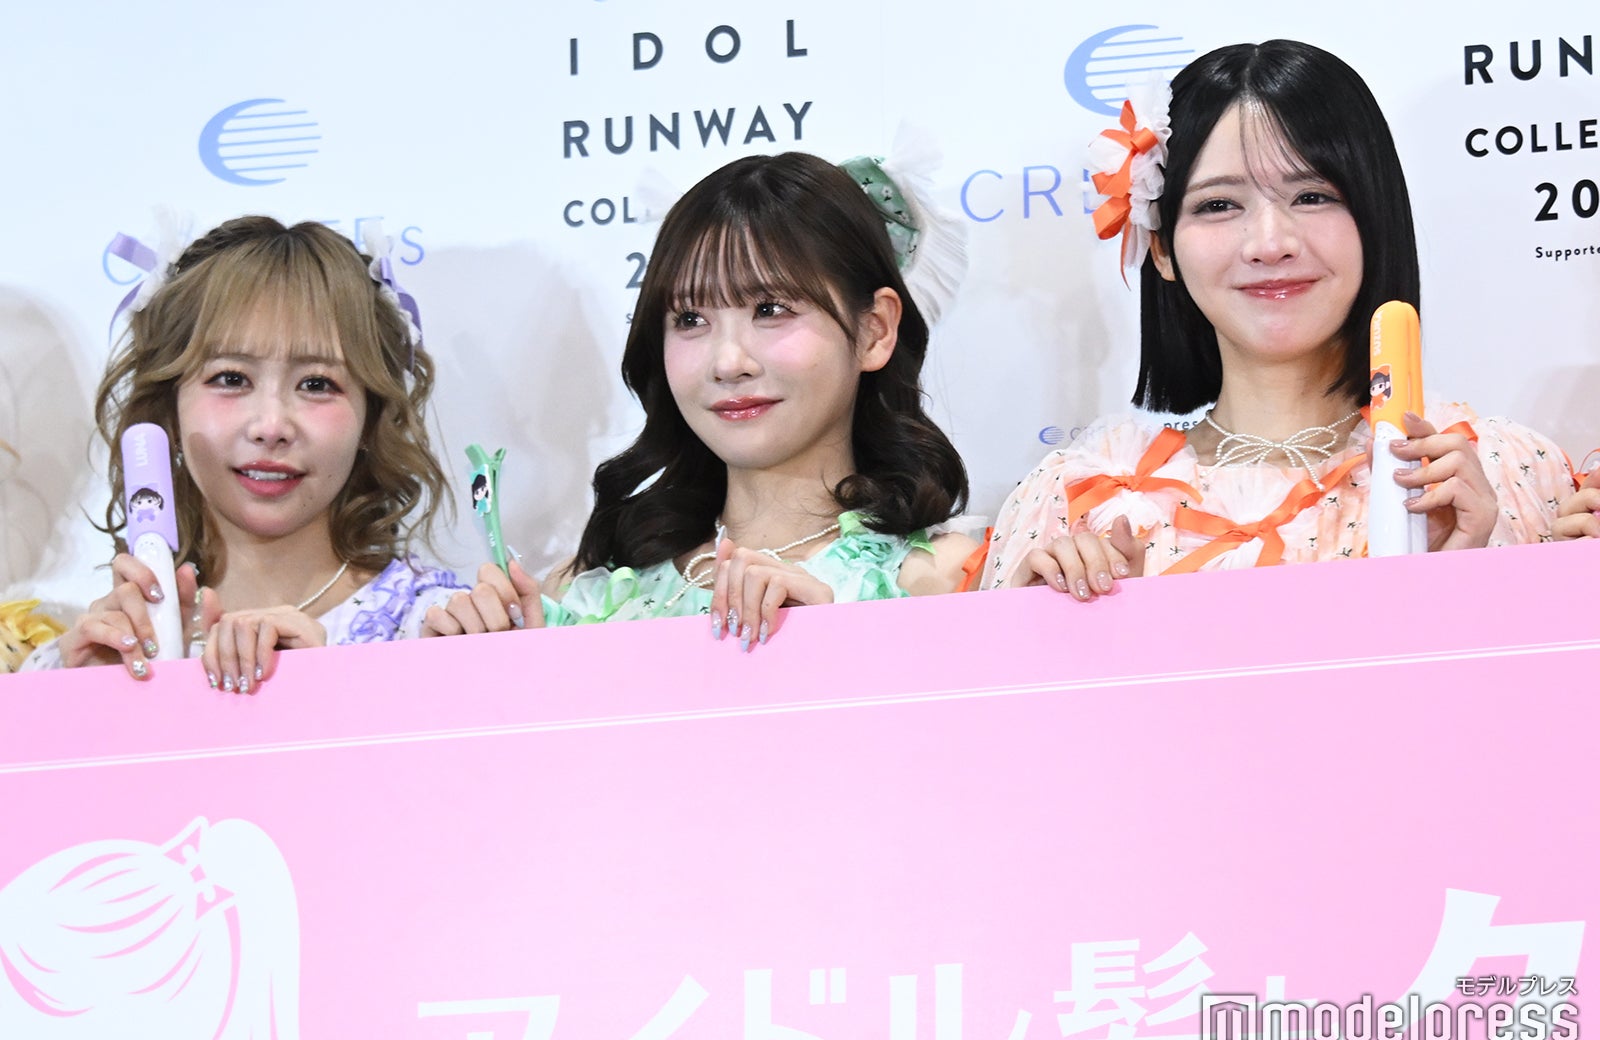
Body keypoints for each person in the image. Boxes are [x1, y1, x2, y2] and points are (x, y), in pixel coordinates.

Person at [983, 40, 1577, 598]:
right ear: (1160, 249)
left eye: (1311, 196)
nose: (1270, 244)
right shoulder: (1072, 500)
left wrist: (1459, 579)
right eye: (1219, 204)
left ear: (1374, 218)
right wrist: (1070, 630)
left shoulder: (1496, 471)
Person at [428, 150, 982, 648]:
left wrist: (832, 652)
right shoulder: (582, 597)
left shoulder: (947, 583)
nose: (728, 361)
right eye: (691, 319)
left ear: (875, 330)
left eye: (770, 310)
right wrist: (499, 671)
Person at [24, 216, 465, 689]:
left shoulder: (438, 632)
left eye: (317, 384)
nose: (271, 427)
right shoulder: (79, 661)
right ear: (169, 409)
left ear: (371, 416)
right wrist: (89, 702)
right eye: (231, 378)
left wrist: (333, 693)